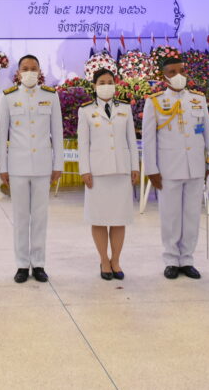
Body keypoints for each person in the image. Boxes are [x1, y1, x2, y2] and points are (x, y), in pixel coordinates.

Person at [142, 57, 209, 280]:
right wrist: (151, 169)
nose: (178, 76)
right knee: (170, 216)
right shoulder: (155, 101)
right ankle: (171, 259)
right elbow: (149, 139)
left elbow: (207, 133)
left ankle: (187, 259)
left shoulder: (198, 99)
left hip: (195, 166)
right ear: (163, 76)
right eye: (172, 72)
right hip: (168, 169)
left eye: (181, 71)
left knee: (192, 215)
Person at [0, 55, 65, 283]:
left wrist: (58, 164)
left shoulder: (50, 96)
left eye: (33, 68)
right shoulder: (8, 97)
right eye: (25, 68)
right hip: (17, 166)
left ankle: (39, 263)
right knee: (20, 217)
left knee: (40, 218)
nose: (29, 72)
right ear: (18, 73)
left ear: (39, 71)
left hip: (43, 166)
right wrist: (3, 167)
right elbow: (2, 134)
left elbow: (57, 133)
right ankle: (21, 265)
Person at [77, 69, 139, 280]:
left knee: (119, 218)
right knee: (99, 218)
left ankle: (116, 260)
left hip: (121, 171)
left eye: (110, 81)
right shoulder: (86, 110)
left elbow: (131, 140)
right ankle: (104, 260)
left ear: (115, 84)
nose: (106, 85)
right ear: (94, 86)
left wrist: (135, 167)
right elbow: (83, 143)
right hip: (97, 172)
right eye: (102, 82)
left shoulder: (125, 108)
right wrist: (85, 169)